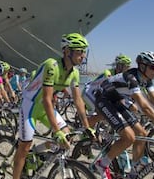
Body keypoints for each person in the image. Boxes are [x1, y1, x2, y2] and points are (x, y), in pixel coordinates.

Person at [84, 51, 154, 179]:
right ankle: (102, 164)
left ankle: (134, 170)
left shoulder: (147, 79)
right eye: (153, 67)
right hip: (103, 99)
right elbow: (146, 107)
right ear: (142, 66)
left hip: (117, 100)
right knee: (129, 137)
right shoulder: (131, 77)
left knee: (142, 133)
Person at [12, 33, 94, 179]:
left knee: (67, 136)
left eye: (84, 51)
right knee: (24, 147)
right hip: (29, 106)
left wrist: (87, 126)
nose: (83, 56)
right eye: (79, 51)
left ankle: (36, 152)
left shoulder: (74, 73)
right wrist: (56, 131)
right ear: (67, 51)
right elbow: (47, 98)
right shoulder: (52, 65)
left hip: (44, 108)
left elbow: (78, 100)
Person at [83, 54, 132, 127]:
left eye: (128, 67)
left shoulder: (121, 76)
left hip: (98, 93)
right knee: (104, 113)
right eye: (126, 66)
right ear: (120, 66)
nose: (128, 69)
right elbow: (111, 89)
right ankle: (85, 128)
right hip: (89, 92)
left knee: (107, 112)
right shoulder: (108, 72)